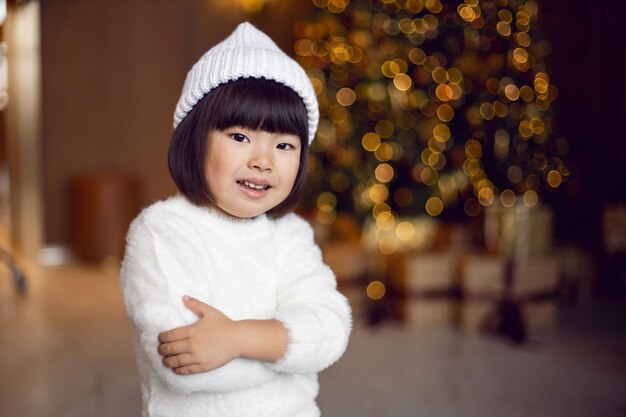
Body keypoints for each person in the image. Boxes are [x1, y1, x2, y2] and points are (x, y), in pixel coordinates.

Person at [120, 22, 352, 417]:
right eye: (240, 137)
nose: (262, 161)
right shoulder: (161, 232)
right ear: (194, 138)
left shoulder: (291, 234)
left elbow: (331, 331)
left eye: (283, 145)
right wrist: (286, 345)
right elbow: (184, 366)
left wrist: (236, 338)